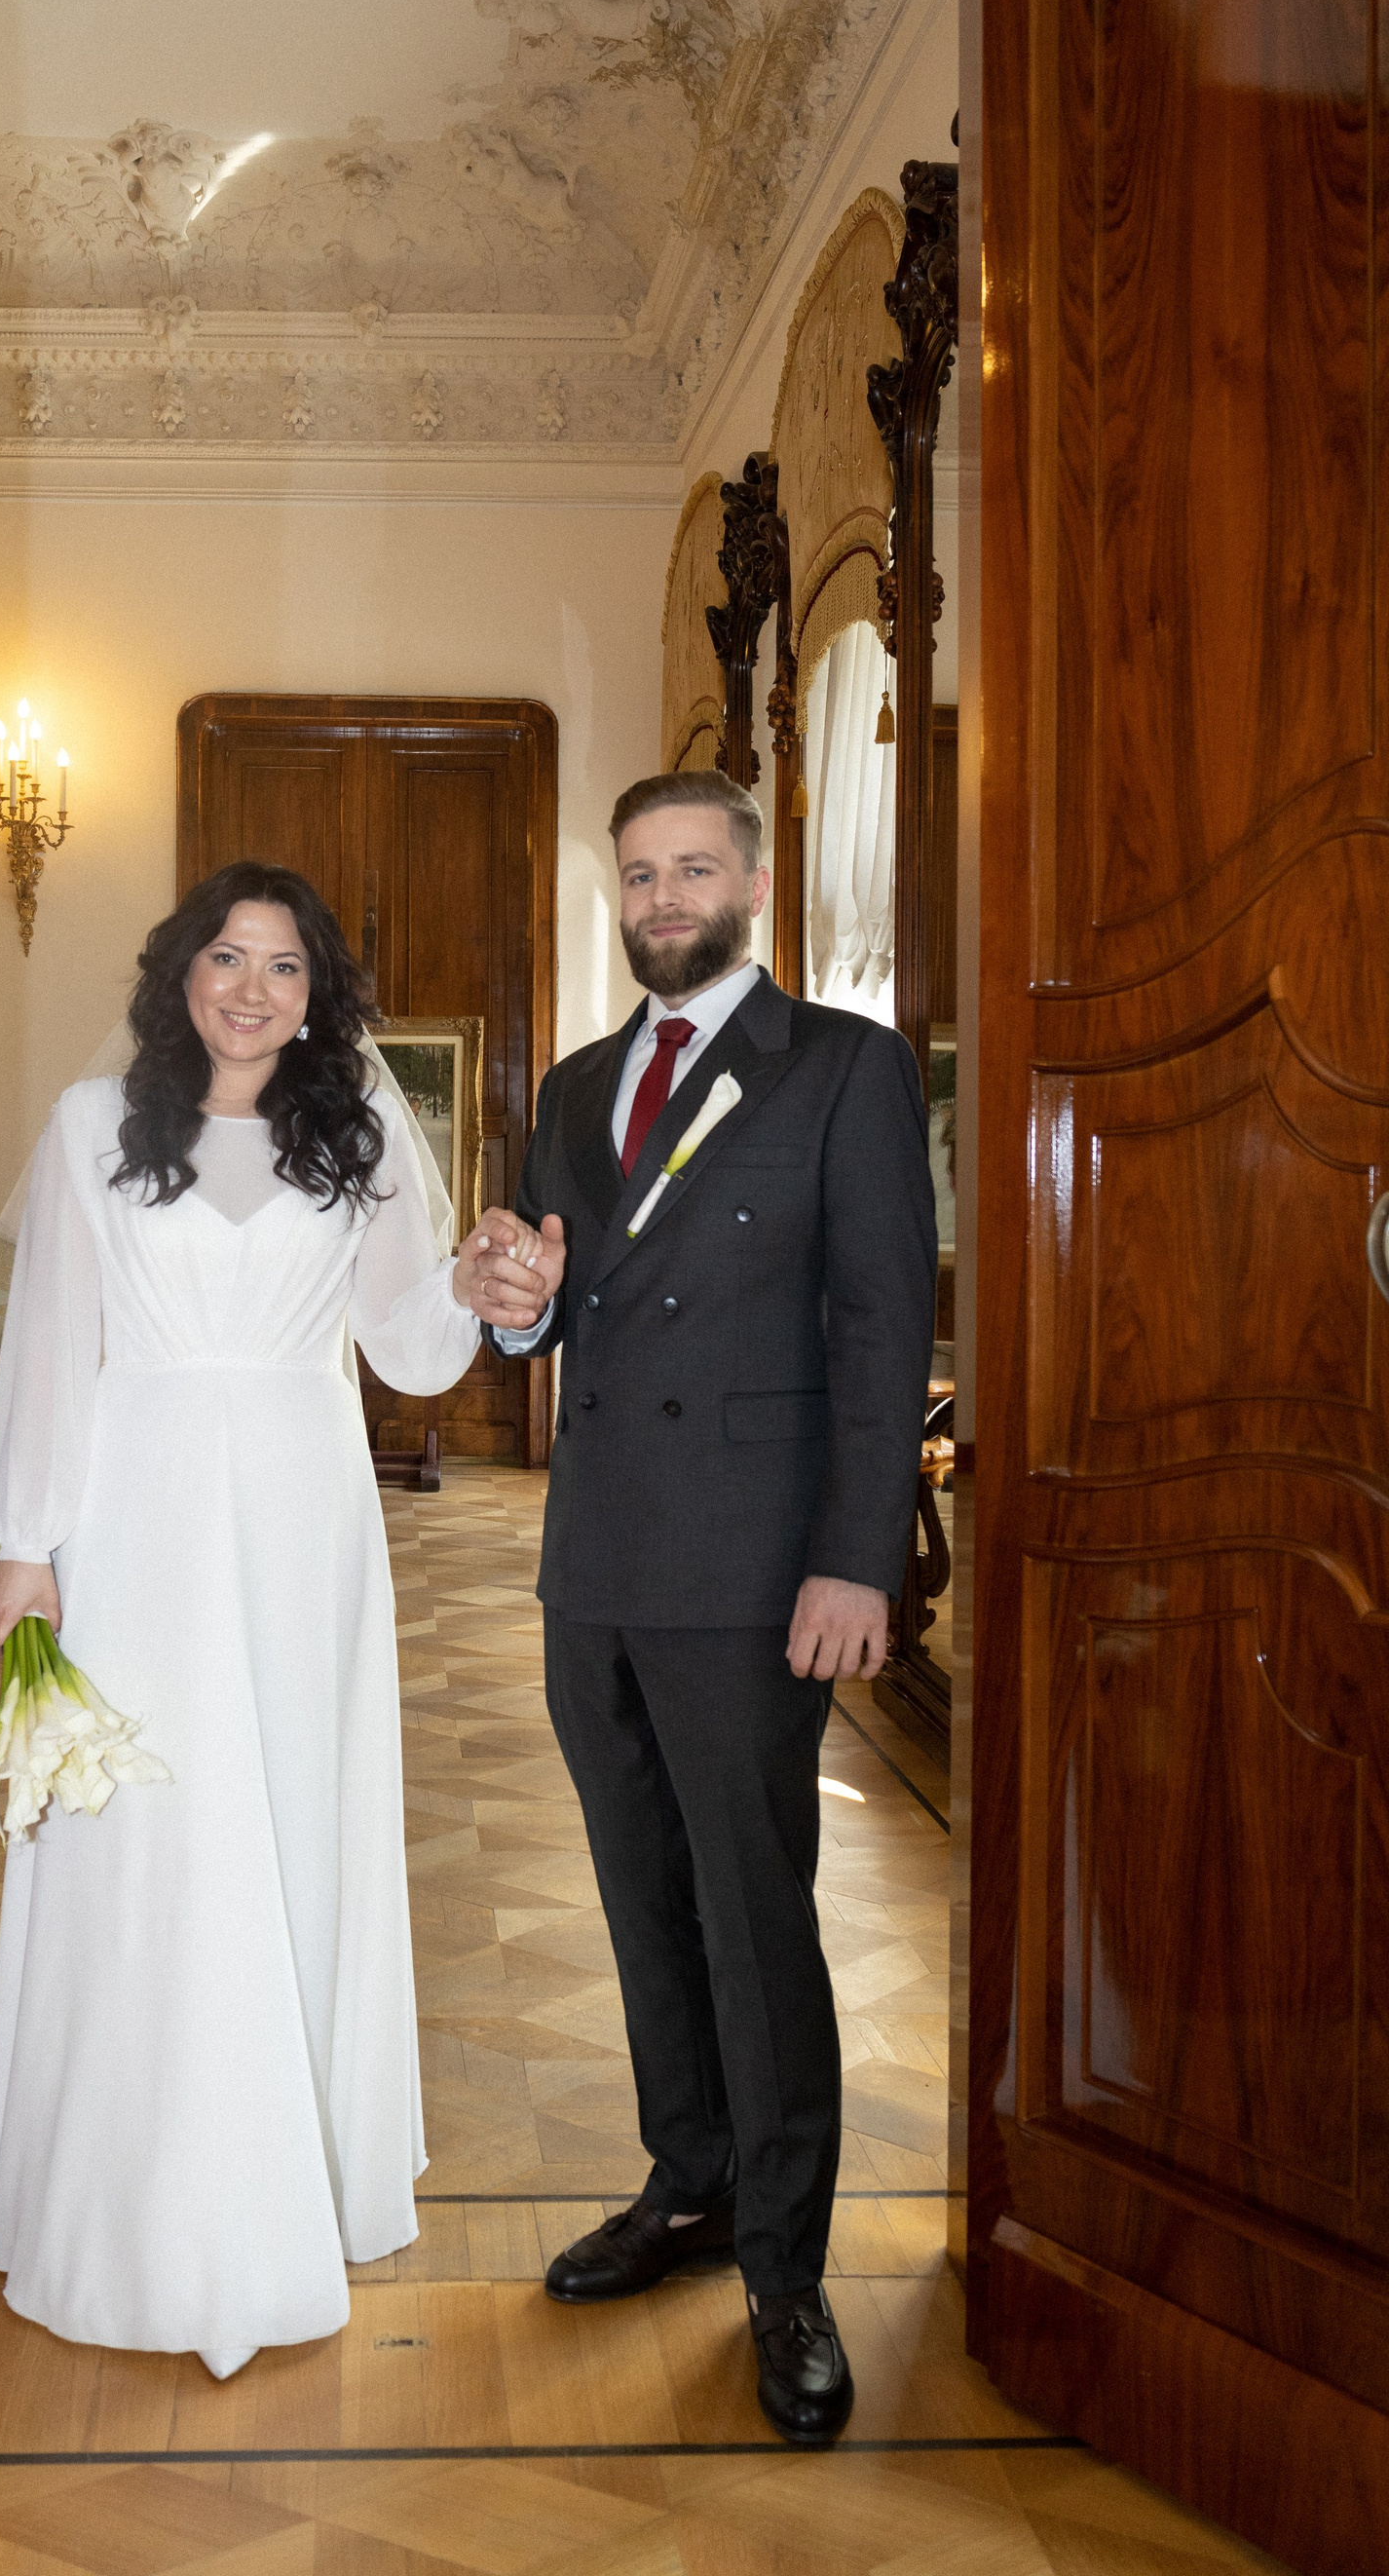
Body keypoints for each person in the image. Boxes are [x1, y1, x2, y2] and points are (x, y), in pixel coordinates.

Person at [0, 861, 502, 2378]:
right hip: (133, 1514)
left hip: (301, 1517)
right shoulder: (94, 1124)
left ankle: (293, 2182)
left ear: (317, 994)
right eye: (226, 957)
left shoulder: (361, 1126)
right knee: (152, 1824)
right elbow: (50, 1342)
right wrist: (27, 1542)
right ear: (179, 975)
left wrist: (481, 1284)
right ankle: (123, 2196)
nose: (252, 988)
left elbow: (407, 1350)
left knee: (289, 1807)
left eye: (283, 965)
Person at [461, 770, 936, 2445]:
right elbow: (552, 1305)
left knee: (753, 1916)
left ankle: (786, 2268)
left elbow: (882, 1326)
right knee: (643, 1900)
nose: (663, 897)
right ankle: (690, 2183)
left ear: (752, 883)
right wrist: (511, 1303)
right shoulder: (579, 1085)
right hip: (593, 1562)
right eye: (640, 874)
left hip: (749, 1573)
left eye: (693, 869)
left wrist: (858, 1559)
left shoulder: (844, 1067)